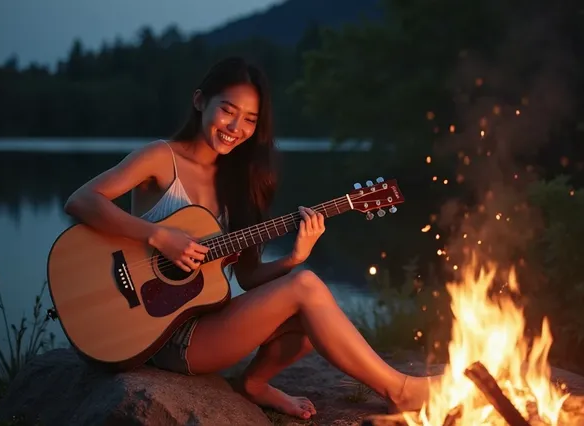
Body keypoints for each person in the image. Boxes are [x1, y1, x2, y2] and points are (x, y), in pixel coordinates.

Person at [63, 56, 440, 420]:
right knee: (306, 288)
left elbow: (246, 278)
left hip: (201, 323)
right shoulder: (161, 158)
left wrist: (293, 258)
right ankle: (400, 391)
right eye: (228, 110)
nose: (235, 127)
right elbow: (81, 201)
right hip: (160, 336)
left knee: (314, 312)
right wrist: (158, 236)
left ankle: (254, 385)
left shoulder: (242, 184)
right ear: (199, 101)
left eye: (249, 120)